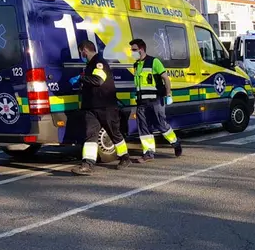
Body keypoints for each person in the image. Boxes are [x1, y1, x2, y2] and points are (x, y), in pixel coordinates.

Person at [70, 40, 131, 175]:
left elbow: (98, 81)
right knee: (90, 135)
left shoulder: (99, 63)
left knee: (114, 133)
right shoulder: (90, 65)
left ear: (84, 50)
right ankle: (87, 165)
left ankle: (125, 158)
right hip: (91, 107)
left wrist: (80, 79)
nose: (81, 55)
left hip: (105, 106)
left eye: (81, 52)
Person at [129, 38, 182, 163]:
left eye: (134, 50)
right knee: (144, 127)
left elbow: (166, 79)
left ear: (141, 49)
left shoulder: (154, 62)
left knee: (161, 125)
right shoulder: (136, 65)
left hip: (155, 100)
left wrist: (168, 94)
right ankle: (148, 153)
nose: (132, 52)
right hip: (142, 102)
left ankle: (175, 142)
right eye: (132, 50)